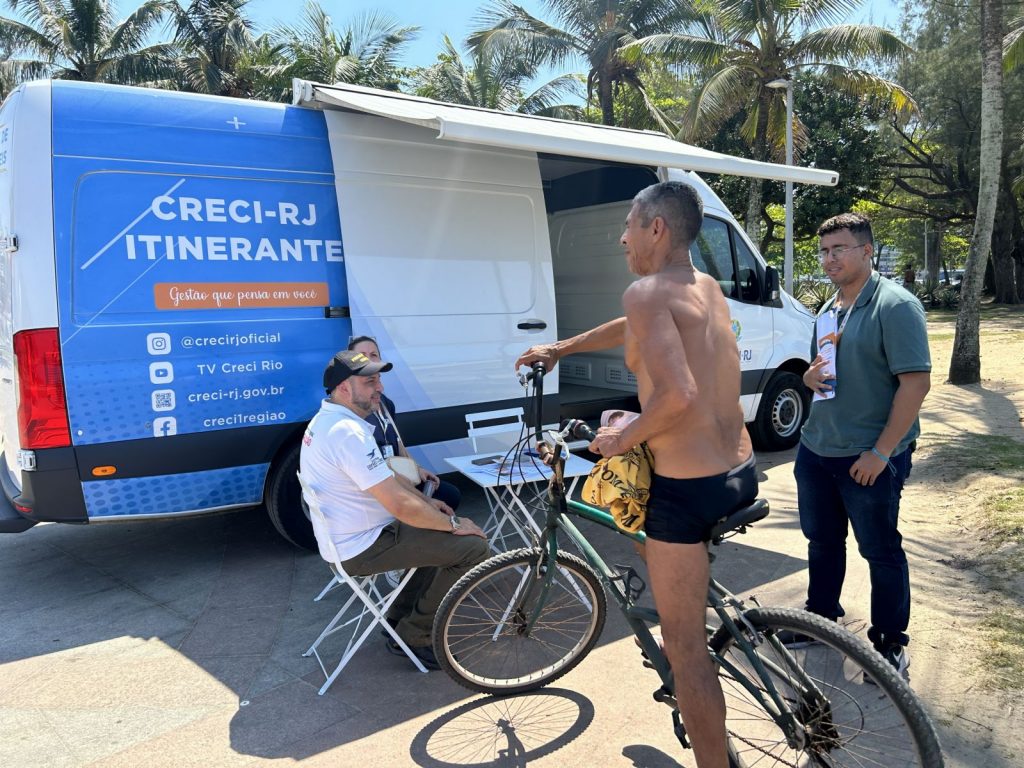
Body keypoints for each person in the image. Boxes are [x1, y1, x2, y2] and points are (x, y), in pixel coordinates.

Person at [515, 181, 757, 768]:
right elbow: (639, 328)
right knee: (635, 511)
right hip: (739, 469)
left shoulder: (644, 292)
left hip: (689, 491)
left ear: (657, 229)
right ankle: (678, 583)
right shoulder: (702, 286)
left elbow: (677, 395)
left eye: (629, 224)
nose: (622, 237)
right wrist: (563, 348)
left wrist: (617, 438)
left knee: (688, 651)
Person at [795, 212, 931, 679]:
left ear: (867, 251)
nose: (829, 259)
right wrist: (810, 378)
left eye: (839, 249)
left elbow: (915, 384)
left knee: (880, 549)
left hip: (868, 456)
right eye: (824, 251)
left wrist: (881, 452)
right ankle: (820, 617)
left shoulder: (895, 306)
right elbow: (823, 371)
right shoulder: (828, 309)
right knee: (822, 541)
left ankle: (890, 641)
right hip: (818, 448)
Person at [300, 349, 489, 670]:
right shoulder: (347, 432)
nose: (380, 388)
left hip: (357, 537)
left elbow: (385, 478)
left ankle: (400, 618)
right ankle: (418, 635)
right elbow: (400, 504)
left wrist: (430, 505)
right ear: (344, 388)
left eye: (379, 380)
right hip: (362, 545)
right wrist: (454, 523)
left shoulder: (331, 420)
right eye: (370, 381)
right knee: (473, 549)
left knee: (435, 532)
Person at [346, 335, 463, 512]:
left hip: (399, 475)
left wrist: (417, 469)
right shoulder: (353, 406)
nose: (369, 359)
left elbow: (398, 443)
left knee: (449, 494)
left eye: (374, 354)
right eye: (362, 355)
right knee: (434, 504)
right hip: (381, 483)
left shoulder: (385, 402)